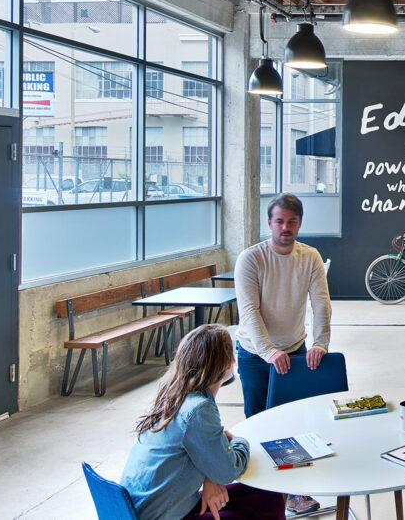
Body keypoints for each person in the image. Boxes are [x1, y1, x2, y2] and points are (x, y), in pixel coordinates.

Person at [121, 324, 285, 520]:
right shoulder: (198, 410)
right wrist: (240, 442)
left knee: (268, 495)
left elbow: (207, 457)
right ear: (227, 364)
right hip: (165, 514)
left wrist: (210, 476)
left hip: (147, 506)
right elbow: (227, 470)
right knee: (261, 507)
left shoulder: (174, 394)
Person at [234, 193, 332, 515]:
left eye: (292, 222)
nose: (285, 227)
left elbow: (321, 303)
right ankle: (261, 494)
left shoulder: (311, 257)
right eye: (280, 221)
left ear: (299, 223)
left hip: (294, 348)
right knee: (258, 422)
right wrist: (268, 351)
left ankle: (294, 494)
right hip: (254, 353)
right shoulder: (251, 258)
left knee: (293, 423)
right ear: (269, 223)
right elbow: (249, 311)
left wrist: (320, 343)